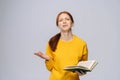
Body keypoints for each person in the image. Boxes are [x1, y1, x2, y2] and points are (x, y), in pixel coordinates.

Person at [34, 11, 88, 80]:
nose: (64, 21)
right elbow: (50, 68)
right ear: (58, 25)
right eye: (61, 20)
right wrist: (48, 59)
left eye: (67, 19)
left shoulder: (81, 43)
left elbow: (84, 68)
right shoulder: (52, 42)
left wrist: (82, 72)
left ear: (72, 24)